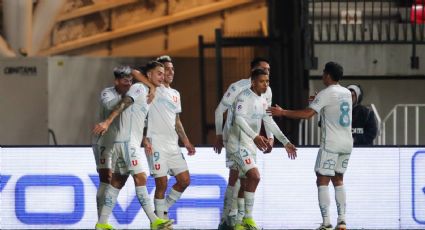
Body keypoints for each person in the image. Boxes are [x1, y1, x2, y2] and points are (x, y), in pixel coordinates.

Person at [267, 62, 352, 230]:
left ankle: (326, 223)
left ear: (327, 75)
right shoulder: (347, 93)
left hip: (331, 144)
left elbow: (307, 114)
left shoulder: (326, 93)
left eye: (323, 73)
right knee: (338, 179)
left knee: (322, 179)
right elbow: (334, 109)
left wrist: (282, 112)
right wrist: (319, 102)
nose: (322, 76)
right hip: (347, 143)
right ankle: (342, 221)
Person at [92, 61, 173, 230]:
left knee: (117, 181)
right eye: (158, 73)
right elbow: (124, 103)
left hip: (125, 142)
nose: (162, 76)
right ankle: (154, 220)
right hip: (127, 143)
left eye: (163, 73)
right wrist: (107, 121)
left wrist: (144, 138)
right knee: (140, 177)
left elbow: (136, 118)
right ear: (148, 75)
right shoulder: (139, 88)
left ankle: (102, 223)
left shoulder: (150, 93)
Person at [228, 68, 297, 230]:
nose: (265, 84)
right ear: (253, 82)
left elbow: (270, 122)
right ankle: (248, 218)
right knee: (255, 176)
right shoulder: (244, 97)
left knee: (245, 182)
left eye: (267, 81)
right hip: (238, 144)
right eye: (261, 81)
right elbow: (238, 119)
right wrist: (255, 136)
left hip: (250, 145)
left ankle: (239, 223)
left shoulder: (263, 101)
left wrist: (285, 142)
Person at [214, 57, 274, 229]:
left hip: (251, 139)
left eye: (269, 70)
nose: (267, 73)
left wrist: (270, 136)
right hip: (234, 138)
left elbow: (267, 115)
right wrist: (219, 135)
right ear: (253, 71)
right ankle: (228, 218)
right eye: (264, 69)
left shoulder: (267, 90)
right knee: (235, 176)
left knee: (245, 178)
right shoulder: (237, 87)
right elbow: (219, 111)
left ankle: (238, 218)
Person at [143, 55, 196, 219]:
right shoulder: (150, 89)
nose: (171, 72)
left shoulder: (175, 94)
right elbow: (140, 115)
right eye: (167, 69)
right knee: (162, 184)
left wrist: (186, 141)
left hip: (173, 145)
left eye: (172, 69)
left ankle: (161, 211)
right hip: (156, 143)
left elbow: (177, 121)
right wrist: (144, 138)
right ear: (158, 72)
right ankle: (160, 221)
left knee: (185, 180)